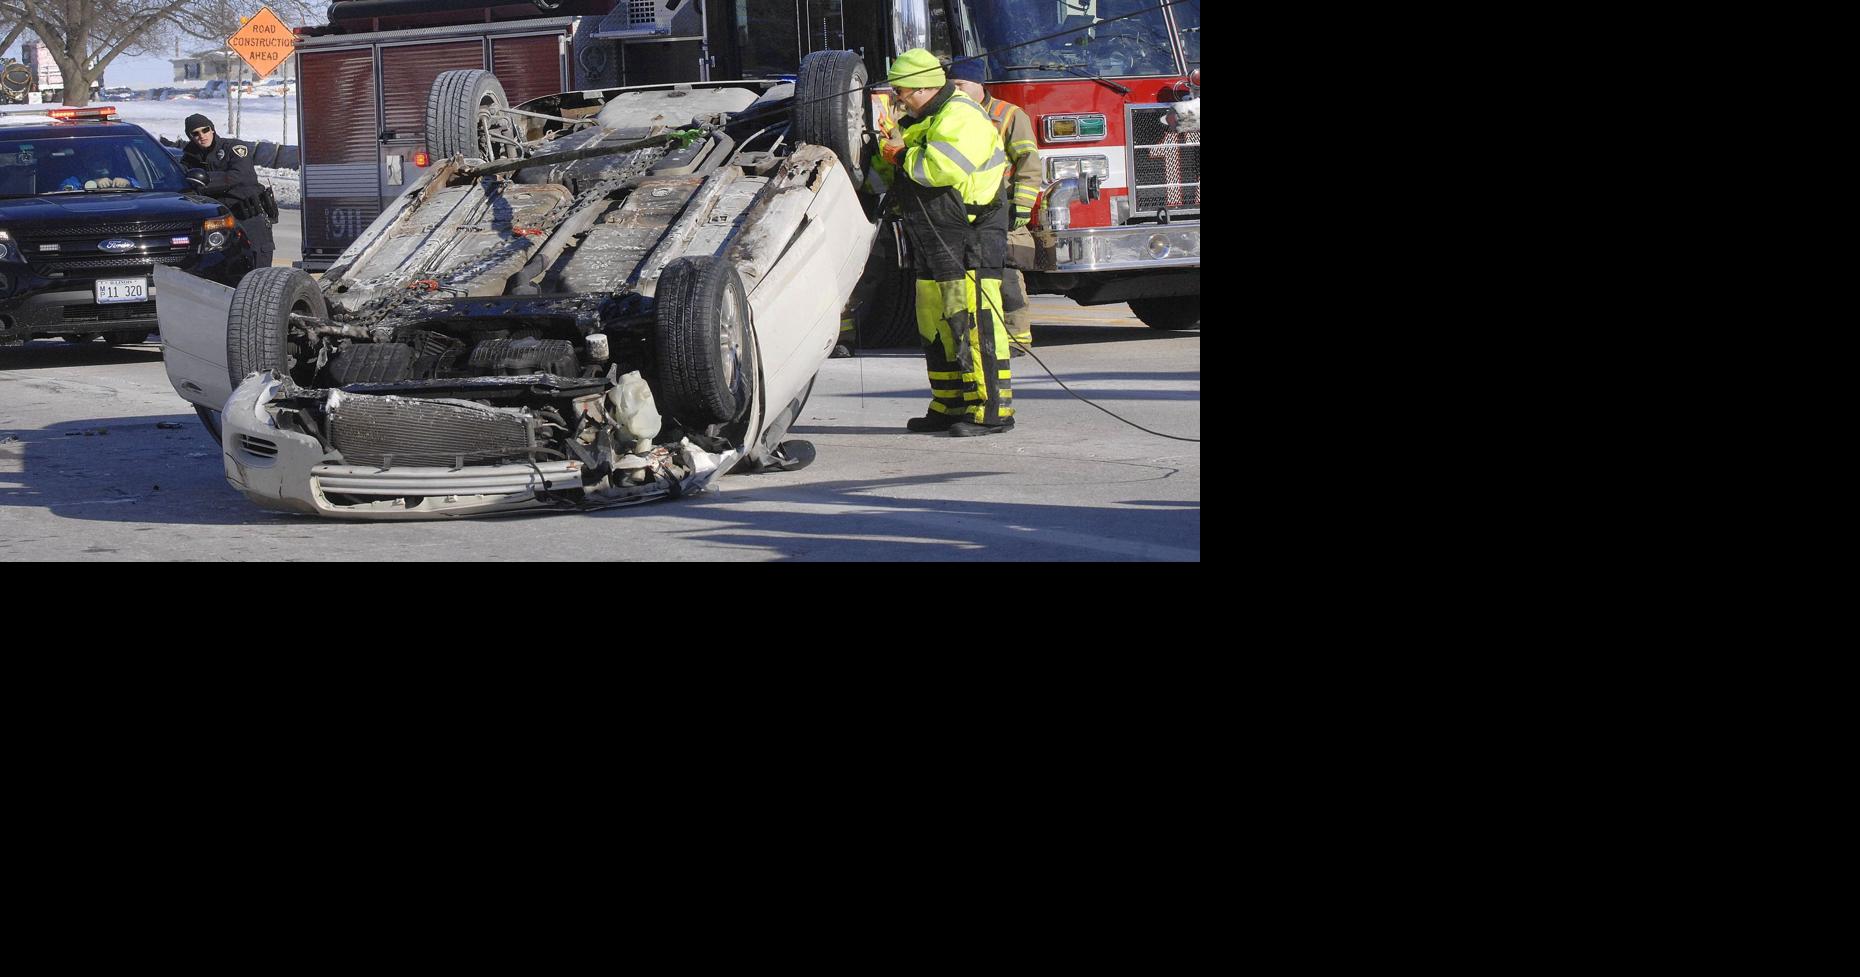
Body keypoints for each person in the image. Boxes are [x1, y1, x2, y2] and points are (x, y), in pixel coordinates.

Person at [880, 49, 1015, 437]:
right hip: (935, 236)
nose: (898, 99)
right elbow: (894, 172)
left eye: (901, 91)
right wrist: (886, 147)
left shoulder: (960, 115)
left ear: (923, 87)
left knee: (973, 322)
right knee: (936, 320)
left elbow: (940, 168)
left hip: (970, 236)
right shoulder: (922, 119)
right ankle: (949, 403)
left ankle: (990, 410)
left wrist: (900, 153)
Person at [949, 58, 1040, 355]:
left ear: (979, 84)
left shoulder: (1009, 115)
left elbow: (1028, 162)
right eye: (951, 86)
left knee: (1007, 274)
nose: (955, 92)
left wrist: (1022, 204)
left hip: (1001, 209)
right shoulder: (948, 115)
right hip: (962, 211)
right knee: (967, 277)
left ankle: (1016, 338)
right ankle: (974, 337)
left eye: (960, 85)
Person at [179, 113, 272, 271]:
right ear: (190, 137)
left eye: (205, 130)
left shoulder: (233, 148)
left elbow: (239, 175)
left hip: (248, 214)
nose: (202, 136)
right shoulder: (189, 158)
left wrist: (205, 180)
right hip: (218, 220)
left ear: (212, 129)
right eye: (196, 133)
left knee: (258, 268)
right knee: (223, 267)